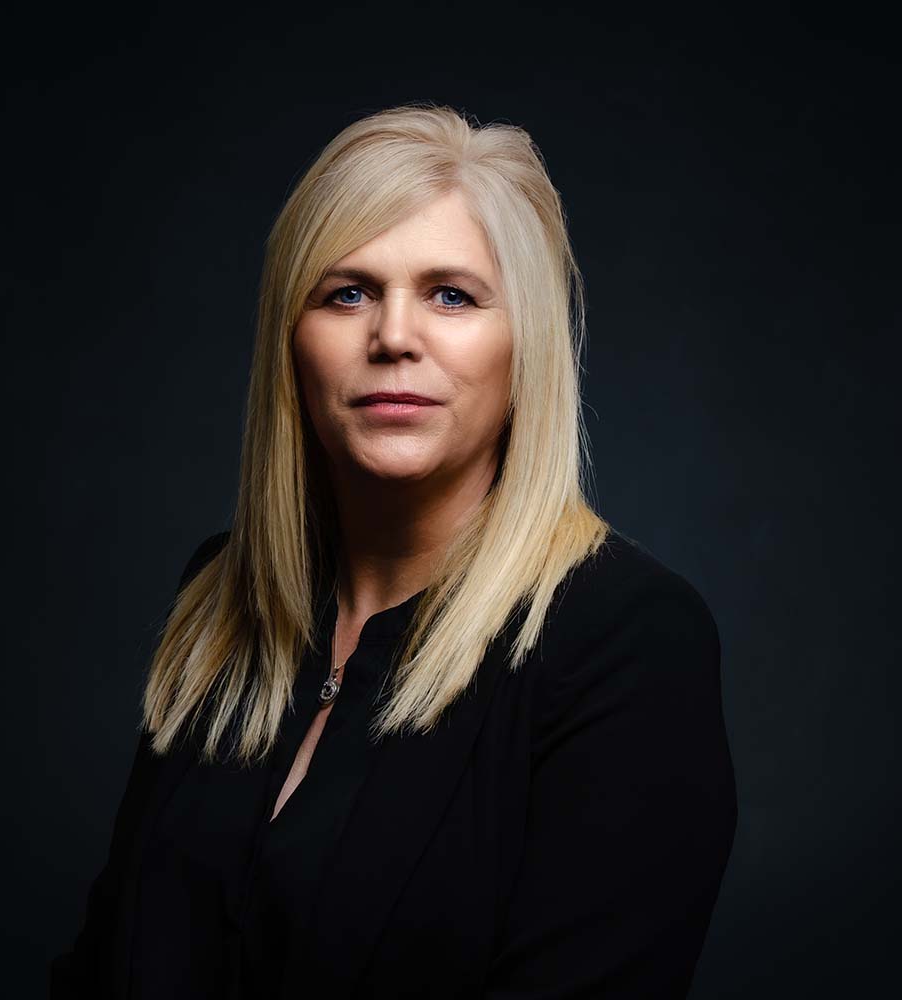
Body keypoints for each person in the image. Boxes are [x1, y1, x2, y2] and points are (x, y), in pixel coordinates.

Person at [50, 102, 737, 999]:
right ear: (291, 343)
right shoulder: (220, 598)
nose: (394, 337)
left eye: (452, 295)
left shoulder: (627, 642)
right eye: (348, 293)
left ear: (524, 344)